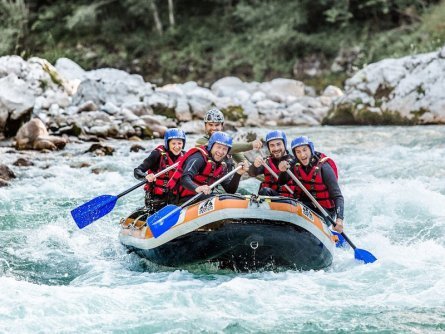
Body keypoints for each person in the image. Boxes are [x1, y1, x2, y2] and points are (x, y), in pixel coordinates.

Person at [278, 136, 344, 233]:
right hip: (305, 205)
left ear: (311, 149)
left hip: (324, 211)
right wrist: (283, 171)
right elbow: (281, 182)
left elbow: (338, 196)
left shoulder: (324, 167)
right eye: (298, 152)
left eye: (305, 150)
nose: (302, 154)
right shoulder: (294, 165)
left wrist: (339, 219)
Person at [168, 131, 249, 205]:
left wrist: (238, 174)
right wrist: (197, 188)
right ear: (211, 146)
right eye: (218, 147)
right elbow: (184, 178)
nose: (221, 152)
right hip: (181, 200)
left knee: (231, 197)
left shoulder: (221, 165)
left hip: (200, 198)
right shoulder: (198, 158)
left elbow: (230, 190)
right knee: (216, 199)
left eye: (224, 149)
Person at [134, 128, 186, 214]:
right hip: (156, 198)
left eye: (179, 143)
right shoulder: (157, 154)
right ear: (167, 143)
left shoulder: (185, 156)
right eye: (173, 143)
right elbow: (137, 171)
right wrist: (146, 176)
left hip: (174, 197)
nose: (177, 147)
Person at [195, 108, 263, 163]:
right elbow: (231, 147)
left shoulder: (229, 144)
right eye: (210, 125)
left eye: (217, 125)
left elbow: (246, 164)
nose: (214, 128)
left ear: (222, 126)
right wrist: (250, 145)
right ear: (205, 126)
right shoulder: (200, 142)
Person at [248, 130, 295, 197]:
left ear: (284, 144)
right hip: (269, 199)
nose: (276, 148)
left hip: (289, 202)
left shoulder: (294, 162)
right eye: (272, 145)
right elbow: (251, 173)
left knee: (265, 191)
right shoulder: (266, 162)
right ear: (269, 148)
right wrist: (255, 165)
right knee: (265, 191)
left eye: (278, 144)